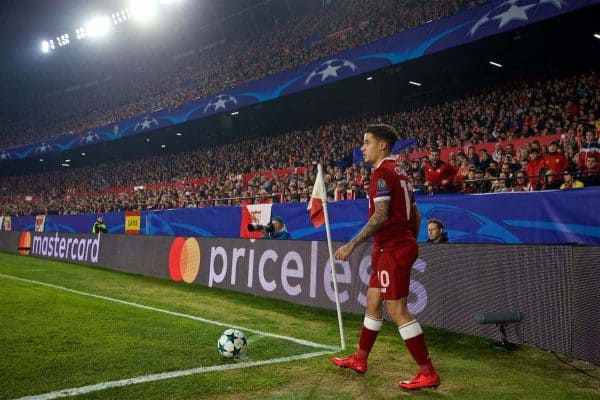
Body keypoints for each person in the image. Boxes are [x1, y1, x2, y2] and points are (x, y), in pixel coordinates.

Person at [331, 124, 440, 390]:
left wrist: (352, 245)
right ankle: (360, 358)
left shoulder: (381, 173)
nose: (362, 148)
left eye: (366, 142)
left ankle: (427, 372)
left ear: (382, 145)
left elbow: (380, 216)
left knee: (397, 309)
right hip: (390, 247)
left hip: (392, 248)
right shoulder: (400, 172)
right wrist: (411, 240)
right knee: (373, 300)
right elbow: (415, 214)